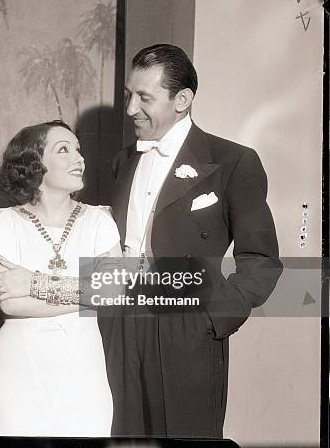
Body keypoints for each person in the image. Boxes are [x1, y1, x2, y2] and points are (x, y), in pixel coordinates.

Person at [110, 44, 283, 437]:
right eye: (129, 95)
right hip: (119, 323)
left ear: (182, 100)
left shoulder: (232, 161)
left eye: (144, 98)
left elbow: (261, 259)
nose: (130, 108)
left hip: (185, 328)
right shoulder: (123, 161)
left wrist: (211, 319)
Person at [0, 120, 123, 436]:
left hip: (83, 359)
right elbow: (12, 304)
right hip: (20, 362)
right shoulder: (2, 222)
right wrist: (88, 295)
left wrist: (33, 282)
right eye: (64, 150)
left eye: (78, 149)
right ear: (35, 164)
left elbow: (112, 293)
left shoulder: (99, 222)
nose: (79, 158)